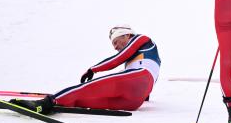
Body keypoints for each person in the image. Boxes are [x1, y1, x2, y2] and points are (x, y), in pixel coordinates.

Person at [11, 25, 160, 114]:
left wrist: (93, 69)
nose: (114, 46)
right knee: (84, 100)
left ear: (127, 34)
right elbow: (148, 85)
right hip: (133, 102)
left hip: (137, 78)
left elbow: (118, 59)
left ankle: (44, 103)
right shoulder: (143, 56)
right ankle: (56, 103)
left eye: (116, 41)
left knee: (85, 88)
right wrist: (144, 96)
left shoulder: (141, 38)